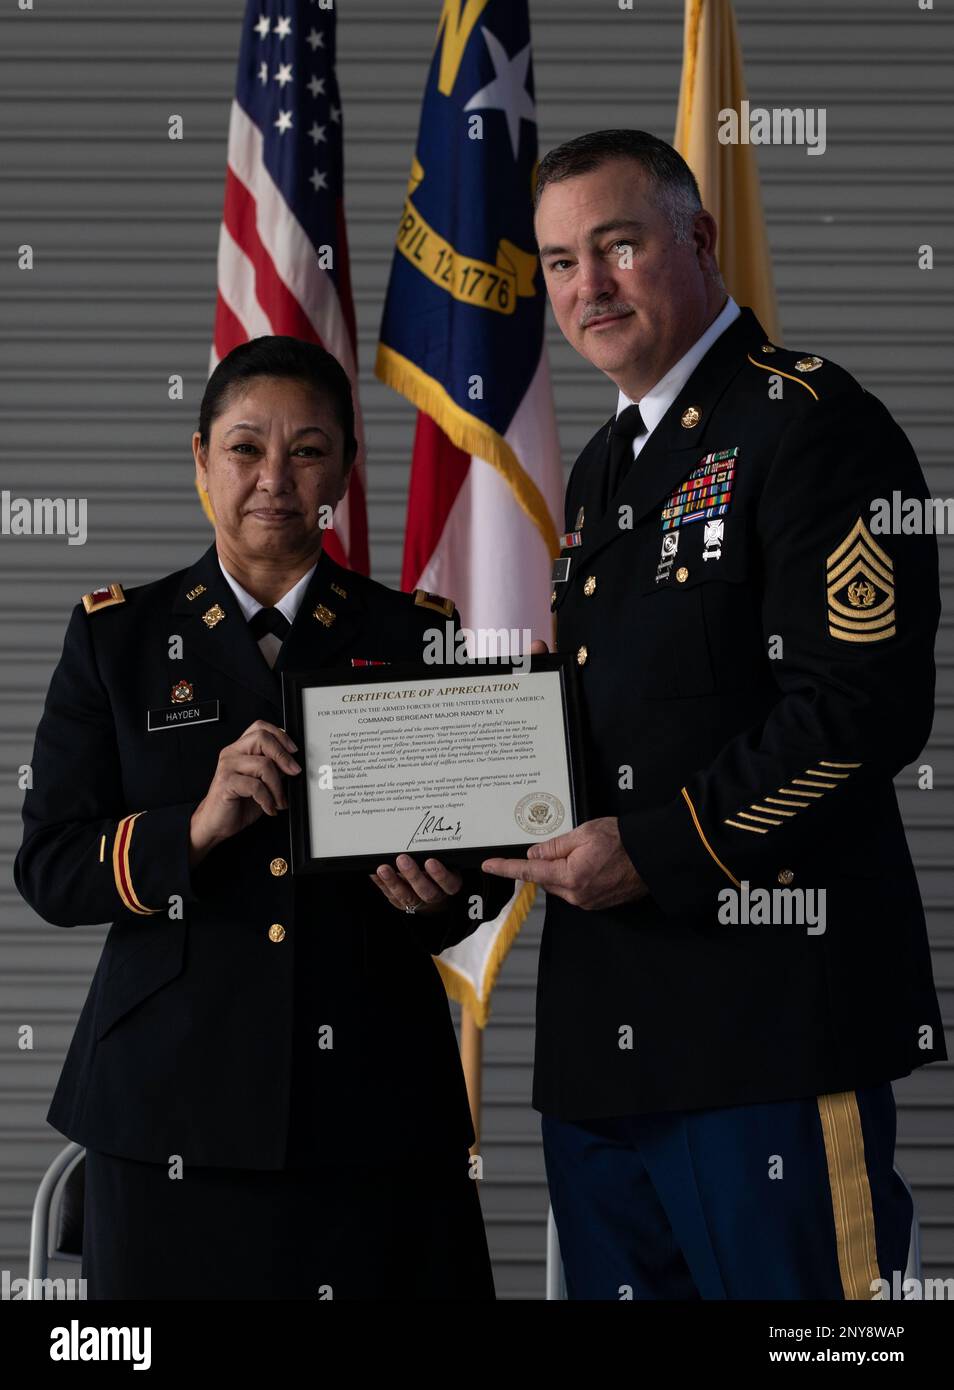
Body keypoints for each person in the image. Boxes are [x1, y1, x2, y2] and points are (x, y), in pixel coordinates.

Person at [483, 129, 946, 1300]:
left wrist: (660, 849)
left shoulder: (812, 424)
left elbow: (862, 707)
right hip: (605, 1043)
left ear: (697, 240)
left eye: (618, 246)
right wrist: (451, 833)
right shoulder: (601, 469)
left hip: (770, 1031)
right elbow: (621, 722)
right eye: (560, 263)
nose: (588, 287)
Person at [15, 335, 508, 1300]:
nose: (274, 479)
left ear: (346, 470)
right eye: (245, 448)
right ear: (200, 459)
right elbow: (51, 866)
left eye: (308, 450)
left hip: (374, 1106)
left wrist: (435, 895)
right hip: (168, 1114)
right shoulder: (117, 639)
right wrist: (192, 827)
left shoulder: (419, 635)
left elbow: (473, 880)